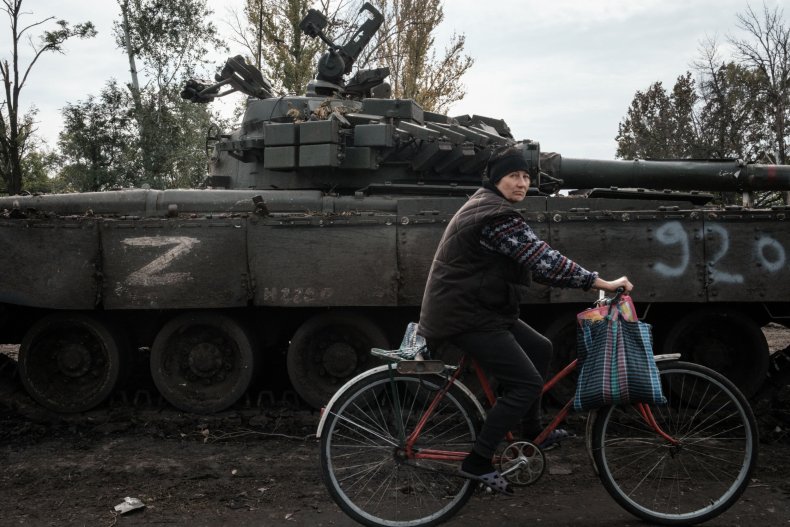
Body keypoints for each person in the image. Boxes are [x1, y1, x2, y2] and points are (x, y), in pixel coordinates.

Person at [417, 146, 633, 495]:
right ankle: (477, 462)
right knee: (526, 384)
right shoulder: (495, 216)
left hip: (479, 309)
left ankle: (532, 432)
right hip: (466, 315)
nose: (521, 183)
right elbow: (543, 261)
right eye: (513, 176)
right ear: (495, 179)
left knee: (541, 348)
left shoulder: (488, 205)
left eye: (526, 177)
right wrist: (602, 282)